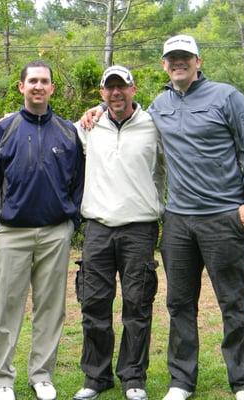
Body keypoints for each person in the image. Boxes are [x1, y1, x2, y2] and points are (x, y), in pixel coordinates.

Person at [82, 35, 244, 400]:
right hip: (178, 222)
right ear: (164, 65)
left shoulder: (227, 97)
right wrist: (97, 110)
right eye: (172, 58)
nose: (178, 62)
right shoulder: (159, 105)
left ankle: (243, 383)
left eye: (185, 57)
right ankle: (181, 381)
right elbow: (123, 112)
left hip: (222, 217)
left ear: (198, 61)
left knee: (233, 302)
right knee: (180, 304)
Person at [0, 60, 84, 400]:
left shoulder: (68, 132)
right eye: (33, 81)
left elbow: (78, 182)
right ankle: (3, 380)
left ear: (52, 88)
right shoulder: (5, 129)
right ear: (21, 87)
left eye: (44, 81)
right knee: (7, 308)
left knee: (50, 307)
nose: (38, 86)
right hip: (12, 231)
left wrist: (71, 220)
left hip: (56, 231)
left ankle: (41, 375)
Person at [72, 66, 165, 400]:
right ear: (101, 94)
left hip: (139, 227)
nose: (116, 93)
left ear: (133, 89)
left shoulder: (153, 125)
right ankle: (96, 377)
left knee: (138, 305)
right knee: (94, 303)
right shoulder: (88, 127)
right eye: (109, 88)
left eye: (122, 87)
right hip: (97, 226)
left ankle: (133, 377)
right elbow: (51, 135)